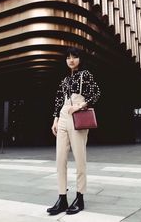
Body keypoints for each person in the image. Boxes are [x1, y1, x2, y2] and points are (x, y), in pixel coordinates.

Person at [47, 47, 101, 215]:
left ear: (80, 59)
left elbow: (96, 93)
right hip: (63, 117)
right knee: (60, 159)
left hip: (77, 117)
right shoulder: (64, 80)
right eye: (68, 57)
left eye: (74, 57)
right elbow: (58, 100)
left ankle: (80, 197)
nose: (71, 60)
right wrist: (55, 120)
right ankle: (62, 198)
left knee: (79, 159)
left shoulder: (86, 75)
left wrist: (79, 106)